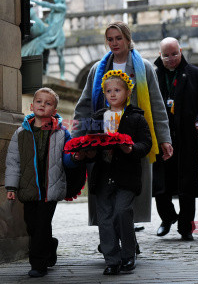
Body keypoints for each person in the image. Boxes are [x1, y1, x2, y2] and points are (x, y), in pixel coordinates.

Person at [72, 21, 173, 233]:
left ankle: (127, 237)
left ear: (128, 39)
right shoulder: (96, 70)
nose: (114, 43)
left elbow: (156, 105)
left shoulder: (144, 67)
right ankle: (110, 236)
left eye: (119, 38)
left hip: (133, 141)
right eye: (110, 39)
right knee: (105, 191)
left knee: (128, 192)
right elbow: (84, 107)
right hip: (102, 140)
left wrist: (164, 139)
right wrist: (77, 139)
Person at [82, 70, 152, 275]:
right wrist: (89, 152)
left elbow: (145, 143)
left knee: (122, 212)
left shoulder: (136, 117)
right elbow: (90, 142)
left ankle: (128, 254)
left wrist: (132, 149)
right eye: (108, 91)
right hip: (103, 174)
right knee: (104, 217)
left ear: (128, 92)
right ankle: (111, 259)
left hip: (127, 174)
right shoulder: (97, 117)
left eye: (117, 90)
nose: (112, 94)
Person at [5, 87, 77, 278]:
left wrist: (76, 157)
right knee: (32, 225)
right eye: (39, 102)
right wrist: (11, 186)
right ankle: (50, 245)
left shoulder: (62, 133)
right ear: (32, 105)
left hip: (50, 189)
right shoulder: (20, 133)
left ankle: (38, 264)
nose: (42, 105)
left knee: (43, 224)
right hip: (29, 188)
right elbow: (13, 162)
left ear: (54, 110)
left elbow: (67, 159)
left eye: (48, 103)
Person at [153, 37, 198, 241]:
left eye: (174, 54)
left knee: (187, 185)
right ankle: (168, 217)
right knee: (161, 184)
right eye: (166, 55)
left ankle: (186, 226)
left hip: (188, 136)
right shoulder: (154, 75)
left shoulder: (195, 74)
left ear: (180, 51)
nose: (171, 59)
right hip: (162, 137)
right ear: (160, 55)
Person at [21, 0, 67, 79]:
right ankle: (40, 68)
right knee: (40, 44)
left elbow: (49, 5)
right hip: (50, 33)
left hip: (58, 34)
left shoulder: (62, 7)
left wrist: (36, 2)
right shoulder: (54, 11)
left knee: (60, 54)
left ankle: (62, 75)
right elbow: (50, 21)